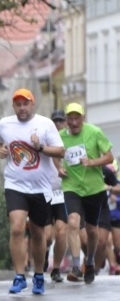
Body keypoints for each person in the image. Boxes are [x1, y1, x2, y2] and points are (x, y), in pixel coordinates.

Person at [0, 88, 65, 294]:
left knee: (38, 233)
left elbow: (60, 151)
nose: (22, 108)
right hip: (15, 184)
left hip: (41, 187)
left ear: (33, 104)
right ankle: (19, 276)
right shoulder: (5, 124)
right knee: (16, 228)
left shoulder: (45, 124)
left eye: (26, 104)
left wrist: (40, 147)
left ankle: (39, 276)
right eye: (18, 104)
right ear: (13, 106)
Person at [59, 102, 115, 284]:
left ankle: (89, 262)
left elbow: (109, 156)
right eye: (70, 118)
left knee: (92, 231)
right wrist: (58, 167)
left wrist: (92, 162)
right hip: (71, 187)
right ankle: (76, 266)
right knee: (73, 223)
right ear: (67, 119)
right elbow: (52, 154)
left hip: (94, 189)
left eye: (77, 118)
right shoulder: (59, 137)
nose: (74, 122)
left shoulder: (94, 132)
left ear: (83, 118)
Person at [47, 109, 70, 283]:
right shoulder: (46, 140)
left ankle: (56, 268)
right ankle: (43, 253)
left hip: (64, 192)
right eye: (55, 121)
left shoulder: (71, 141)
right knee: (46, 236)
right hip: (46, 189)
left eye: (60, 121)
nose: (57, 124)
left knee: (61, 232)